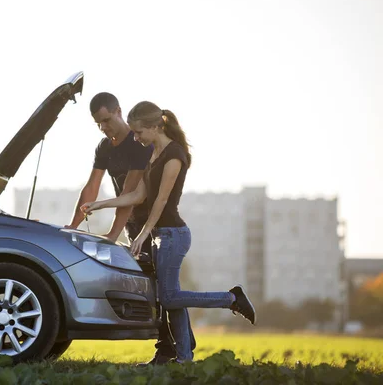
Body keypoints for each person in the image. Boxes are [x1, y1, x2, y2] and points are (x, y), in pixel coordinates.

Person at [81, 101, 256, 362]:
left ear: (154, 127)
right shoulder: (153, 153)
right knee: (171, 299)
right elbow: (139, 195)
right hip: (161, 236)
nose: (136, 137)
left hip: (173, 235)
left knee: (169, 297)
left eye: (139, 132)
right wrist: (99, 204)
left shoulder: (174, 155)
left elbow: (161, 201)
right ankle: (184, 360)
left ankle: (231, 298)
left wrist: (143, 234)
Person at [65, 92, 177, 364]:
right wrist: (72, 225)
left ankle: (170, 349)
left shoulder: (139, 144)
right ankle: (171, 349)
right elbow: (91, 187)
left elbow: (129, 193)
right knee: (155, 287)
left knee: (163, 288)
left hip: (152, 227)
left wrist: (113, 234)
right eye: (98, 124)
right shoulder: (104, 147)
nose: (104, 127)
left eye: (106, 120)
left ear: (118, 111)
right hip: (132, 227)